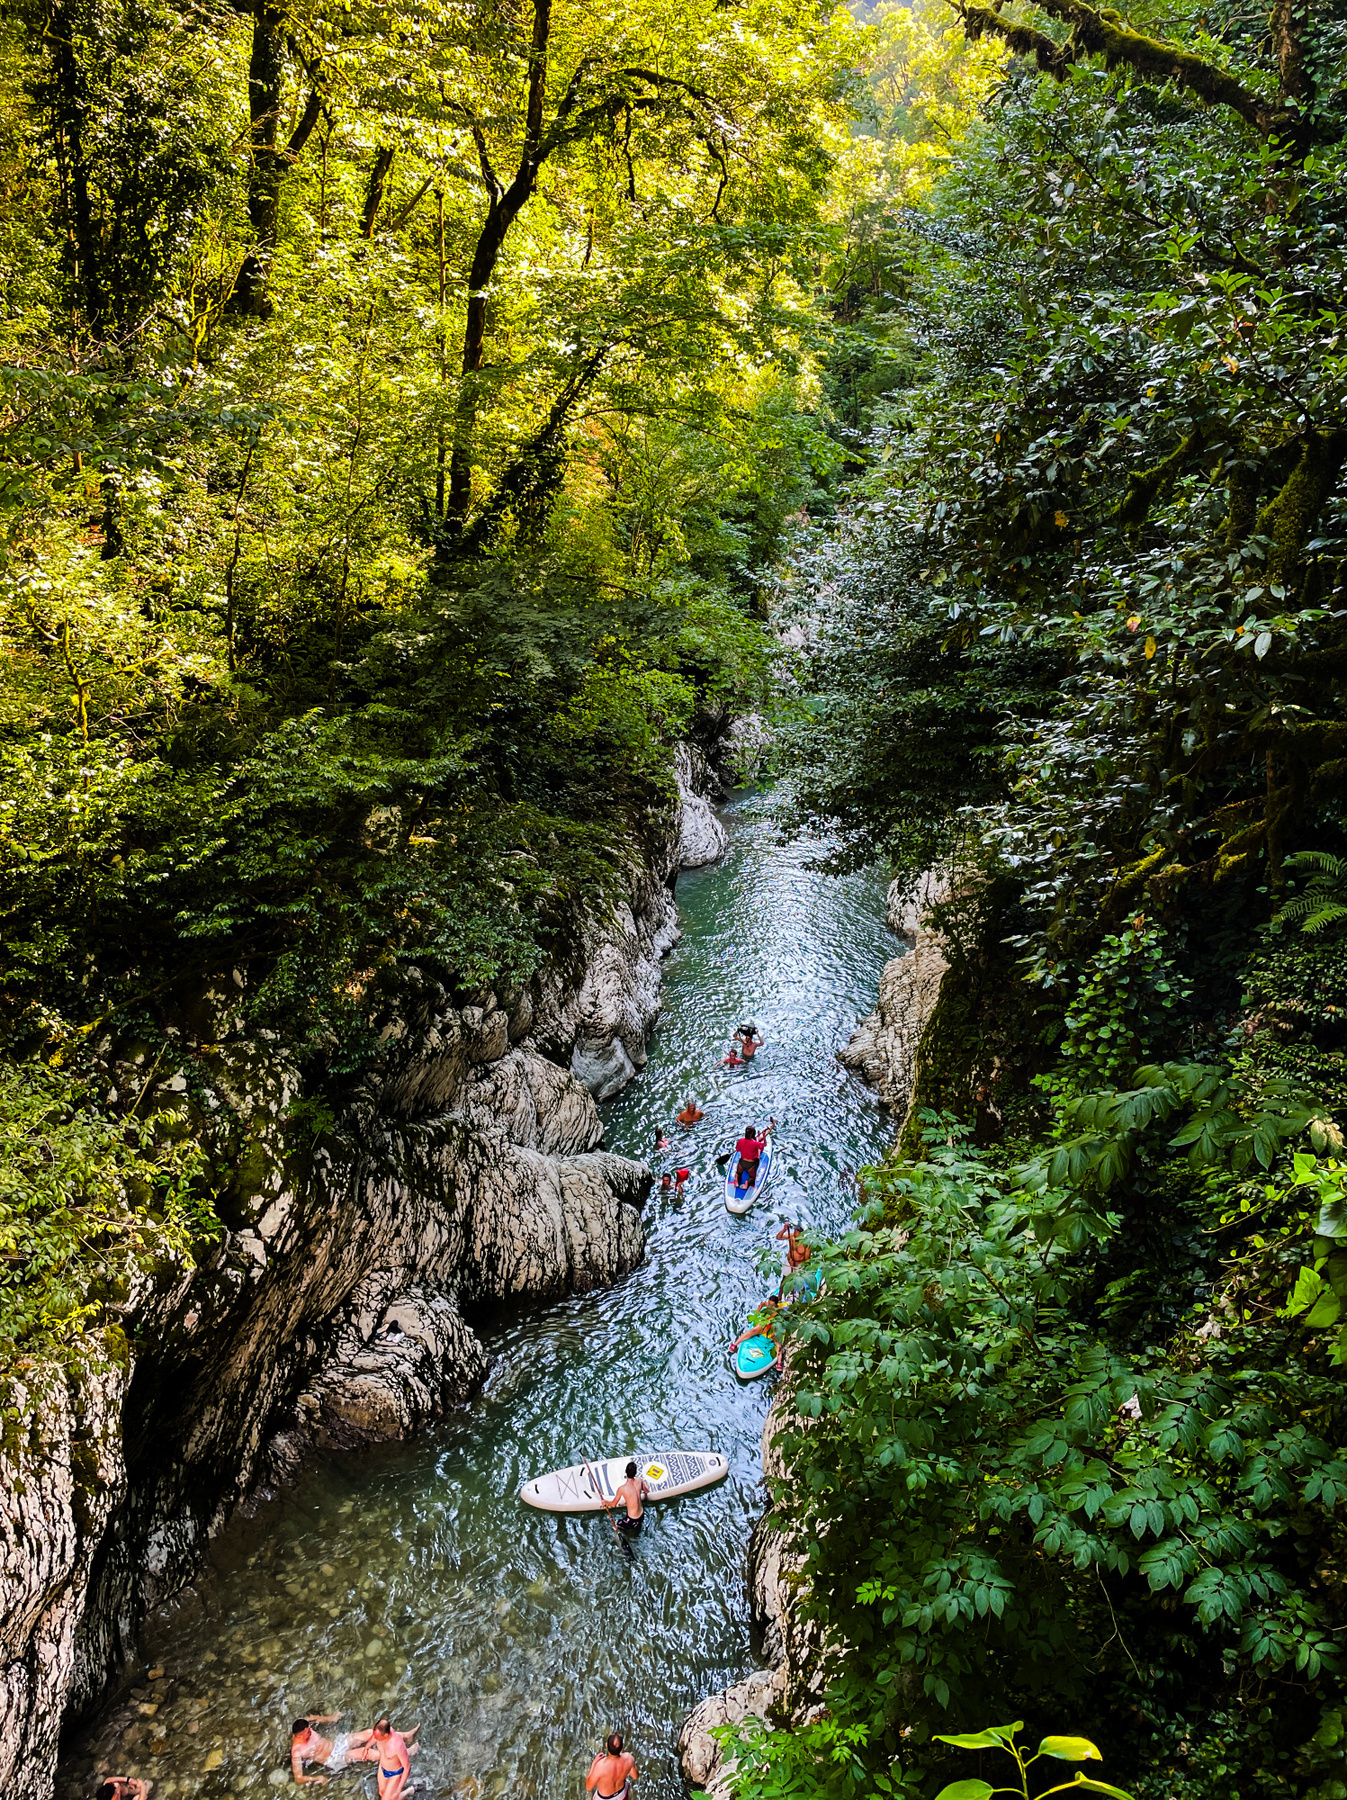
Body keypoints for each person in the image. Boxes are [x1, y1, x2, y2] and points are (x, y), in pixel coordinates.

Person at [291, 1716, 377, 1785]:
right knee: (363, 1753)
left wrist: (330, 1718)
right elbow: (298, 1777)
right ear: (300, 1736)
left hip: (336, 1744)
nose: (311, 1731)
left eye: (310, 1728)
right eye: (308, 1732)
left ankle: (385, 1742)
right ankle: (387, 1757)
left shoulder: (303, 1724)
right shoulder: (297, 1752)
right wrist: (317, 1778)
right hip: (333, 1759)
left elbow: (313, 1718)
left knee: (369, 1733)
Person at [369, 1718, 419, 1800]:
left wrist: (399, 1787)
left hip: (395, 1773)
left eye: (377, 1736)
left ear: (385, 1735)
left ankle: (409, 1790)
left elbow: (407, 1767)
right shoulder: (383, 1731)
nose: (375, 1738)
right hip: (383, 1767)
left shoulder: (397, 1744)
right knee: (382, 1792)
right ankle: (409, 1742)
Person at [587, 1731, 639, 1800]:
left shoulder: (600, 1766)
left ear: (606, 1746)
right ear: (622, 1747)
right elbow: (635, 1776)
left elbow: (588, 1787)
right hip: (621, 1794)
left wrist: (593, 1764)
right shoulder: (628, 1758)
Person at [612, 1460, 649, 1536]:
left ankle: (619, 1537)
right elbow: (646, 1491)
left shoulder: (622, 1488)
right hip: (641, 1515)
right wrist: (645, 1483)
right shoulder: (640, 1480)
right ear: (635, 1473)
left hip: (632, 1520)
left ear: (626, 1472)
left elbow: (613, 1504)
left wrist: (604, 1502)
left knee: (616, 1525)